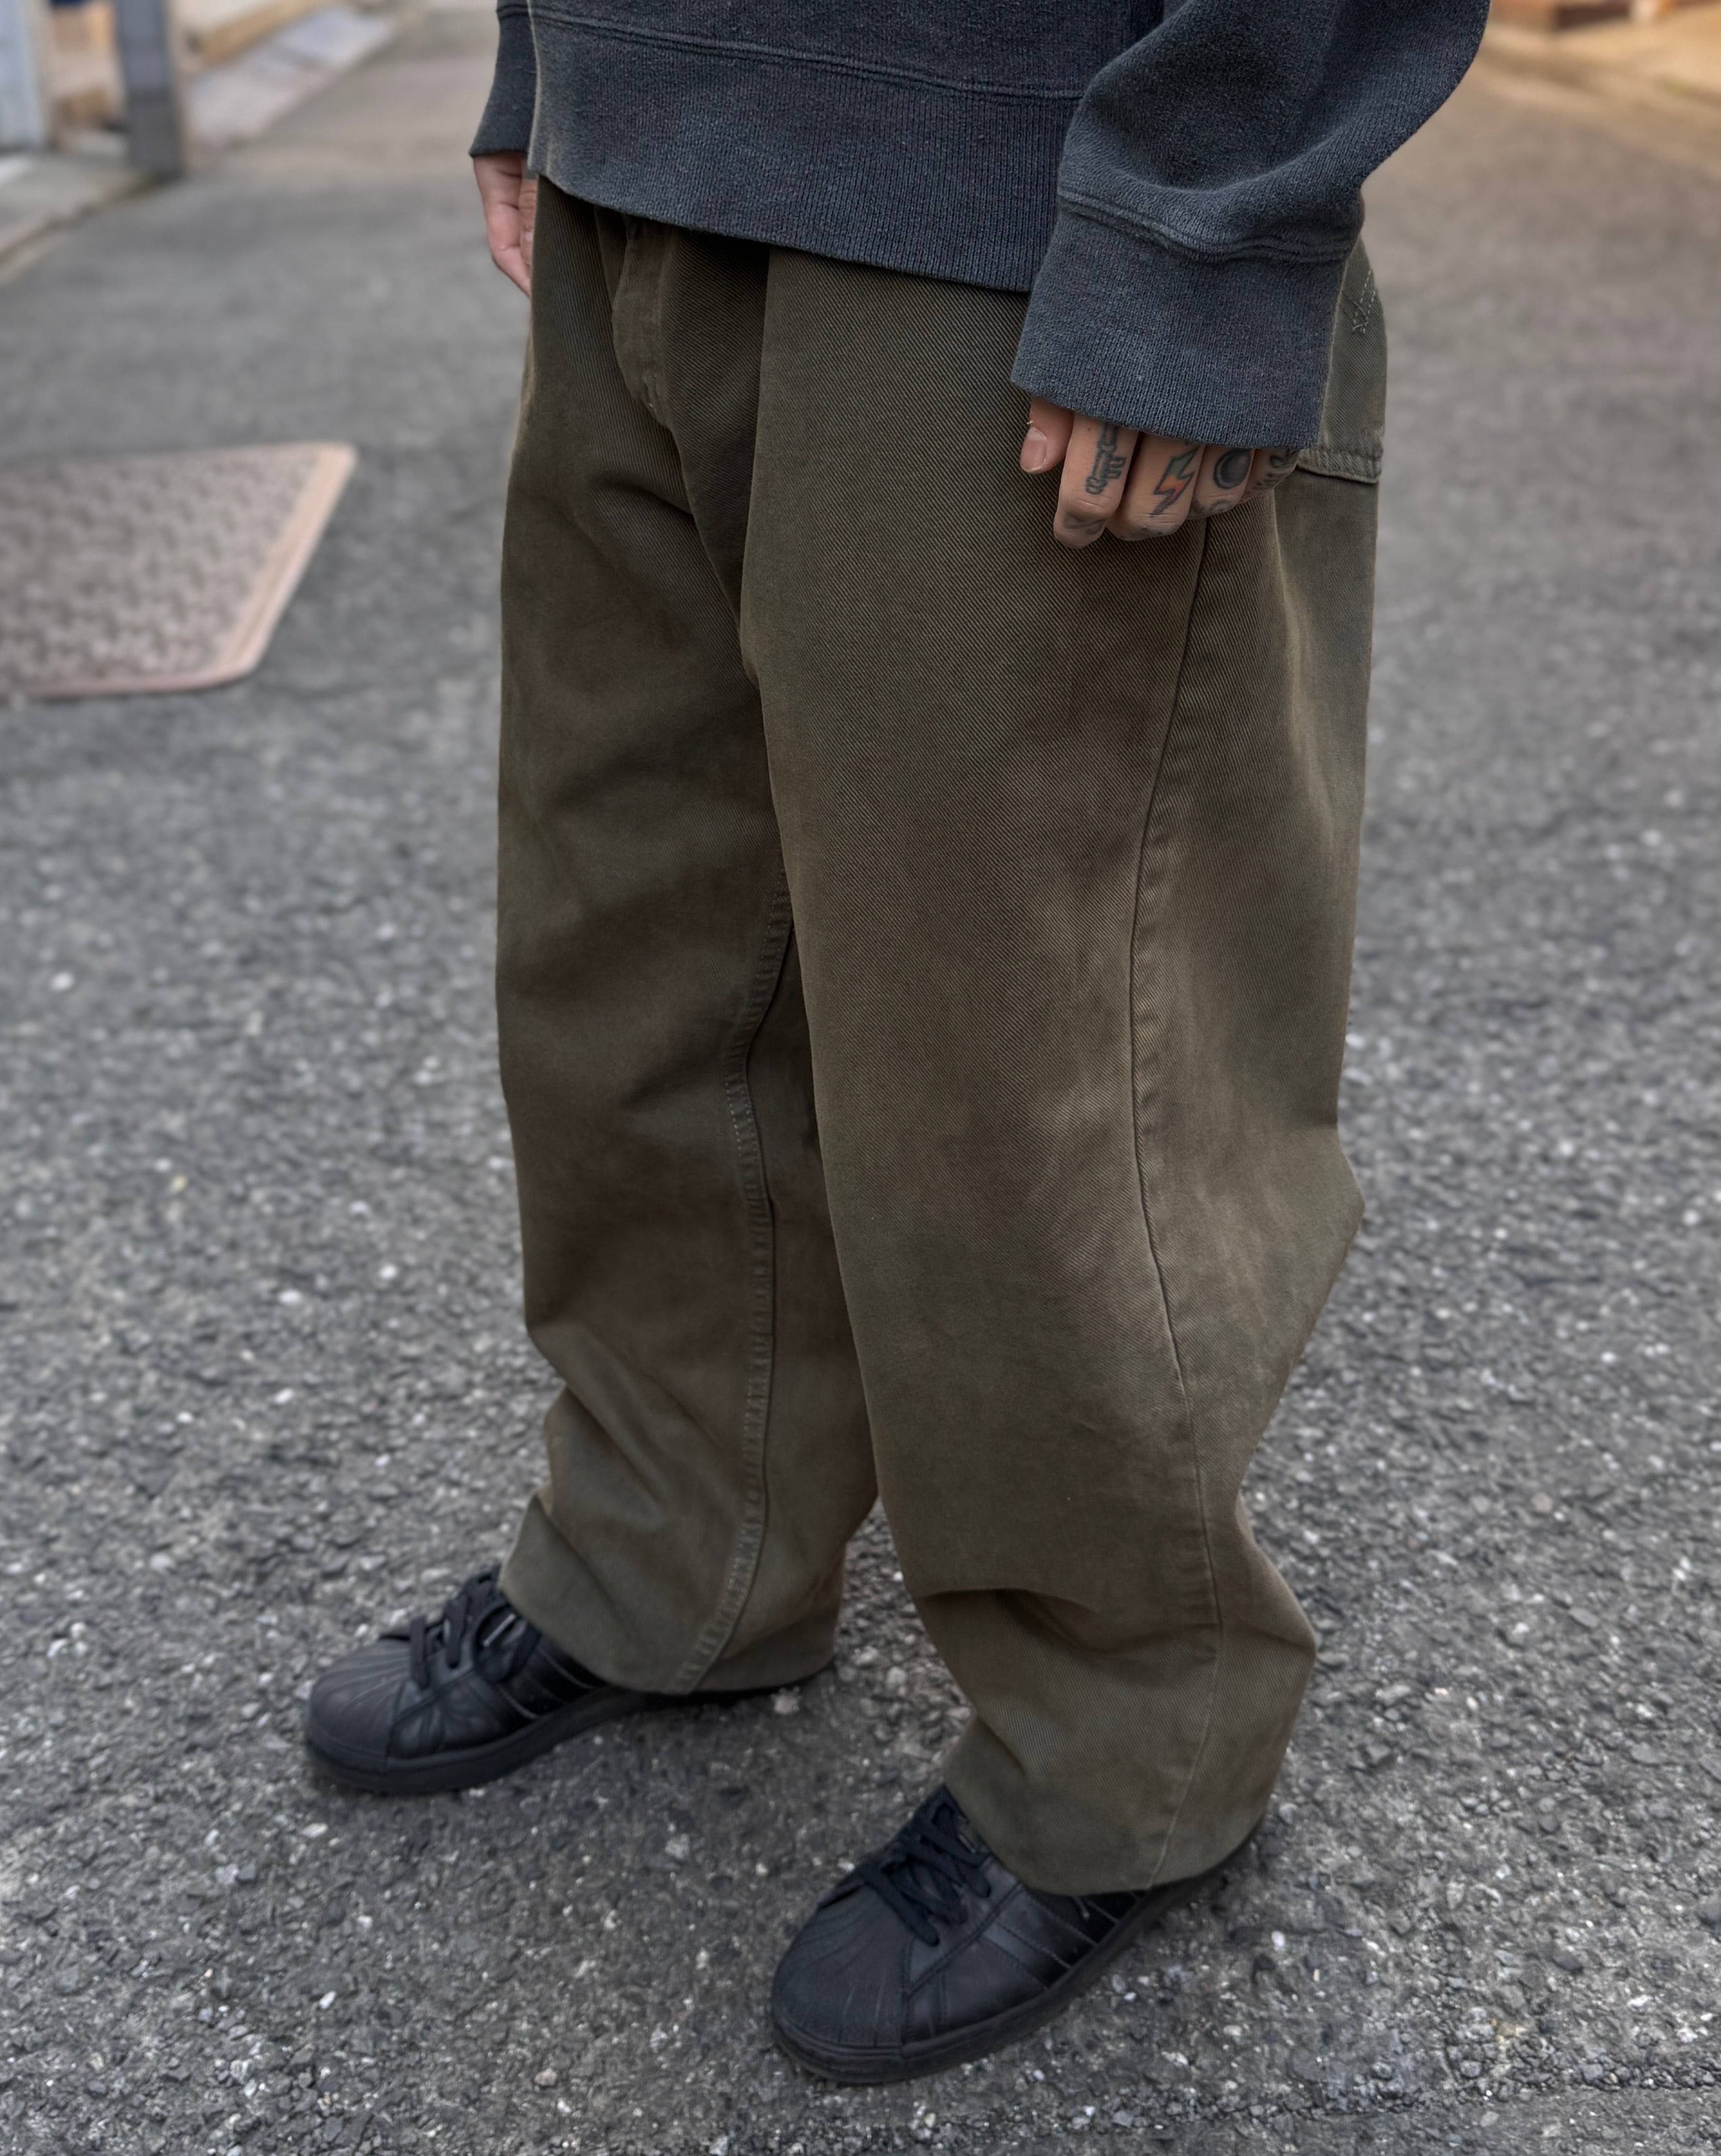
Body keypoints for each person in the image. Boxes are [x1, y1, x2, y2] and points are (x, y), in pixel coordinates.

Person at [304, 0, 1489, 2084]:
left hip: (1018, 164)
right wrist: (543, 57)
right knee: (634, 946)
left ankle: (1125, 1738)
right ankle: (672, 1548)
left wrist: (1215, 197)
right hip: (642, 140)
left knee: (1025, 1044)